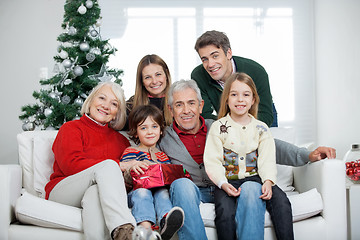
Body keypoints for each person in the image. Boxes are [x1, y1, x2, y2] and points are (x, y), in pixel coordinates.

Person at [157, 79, 336, 240]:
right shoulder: (163, 138)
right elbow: (148, 159)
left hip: (231, 187)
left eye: (191, 103)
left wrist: (307, 154)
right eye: (179, 105)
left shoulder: (221, 127)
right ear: (171, 110)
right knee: (180, 184)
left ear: (200, 105)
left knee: (252, 186)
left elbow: (269, 145)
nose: (186, 110)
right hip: (195, 192)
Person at [44, 82, 136, 240]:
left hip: (92, 190)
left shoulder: (122, 142)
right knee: (109, 165)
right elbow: (70, 166)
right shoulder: (71, 128)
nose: (106, 106)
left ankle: (119, 235)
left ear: (116, 113)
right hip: (63, 189)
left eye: (114, 104)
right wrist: (118, 165)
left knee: (94, 192)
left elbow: (118, 183)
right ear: (91, 101)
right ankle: (126, 228)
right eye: (102, 98)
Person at [204, 72, 288, 240]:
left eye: (246, 95)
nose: (240, 99)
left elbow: (267, 159)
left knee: (283, 204)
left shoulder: (261, 128)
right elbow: (212, 160)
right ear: (226, 99)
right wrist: (222, 183)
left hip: (256, 179)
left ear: (253, 100)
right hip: (228, 181)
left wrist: (268, 182)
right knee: (224, 212)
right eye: (234, 94)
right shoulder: (219, 127)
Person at [120, 104, 184, 240]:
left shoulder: (163, 155)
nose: (150, 132)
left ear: (161, 130)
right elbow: (124, 181)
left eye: (154, 126)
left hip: (159, 191)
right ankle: (145, 229)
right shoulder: (131, 152)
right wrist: (131, 169)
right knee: (143, 192)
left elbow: (168, 178)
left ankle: (166, 221)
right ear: (136, 132)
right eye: (144, 128)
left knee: (163, 192)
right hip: (136, 193)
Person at [191, 30, 276, 127]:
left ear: (229, 53)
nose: (210, 64)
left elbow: (266, 115)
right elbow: (205, 115)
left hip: (259, 117)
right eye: (205, 59)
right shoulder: (198, 75)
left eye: (215, 56)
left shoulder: (256, 71)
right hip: (226, 123)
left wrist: (240, 128)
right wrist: (230, 128)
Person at [125, 54, 172, 129]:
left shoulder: (177, 101)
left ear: (166, 74)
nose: (154, 81)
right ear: (142, 81)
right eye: (148, 77)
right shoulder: (131, 105)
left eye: (158, 74)